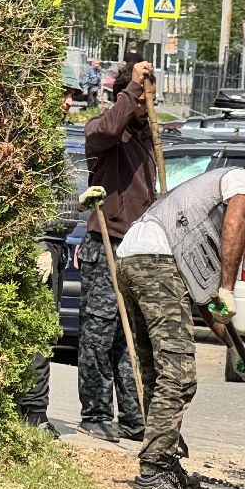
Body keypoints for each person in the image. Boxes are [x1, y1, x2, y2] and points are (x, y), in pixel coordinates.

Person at [115, 143, 245, 489]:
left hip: (134, 258)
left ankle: (164, 465)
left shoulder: (204, 203)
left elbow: (206, 301)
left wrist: (237, 351)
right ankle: (152, 478)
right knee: (178, 377)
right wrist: (229, 287)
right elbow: (236, 222)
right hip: (156, 262)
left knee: (157, 374)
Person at [77, 58, 155, 442]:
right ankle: (94, 412)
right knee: (100, 332)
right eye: (141, 99)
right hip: (106, 243)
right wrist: (132, 90)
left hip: (138, 250)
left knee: (131, 338)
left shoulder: (147, 137)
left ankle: (133, 414)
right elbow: (108, 128)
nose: (146, 107)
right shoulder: (104, 131)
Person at [18, 236, 66, 438]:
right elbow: (35, 208)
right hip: (41, 246)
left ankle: (29, 411)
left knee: (42, 333)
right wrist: (40, 247)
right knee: (38, 335)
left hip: (53, 246)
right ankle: (34, 414)